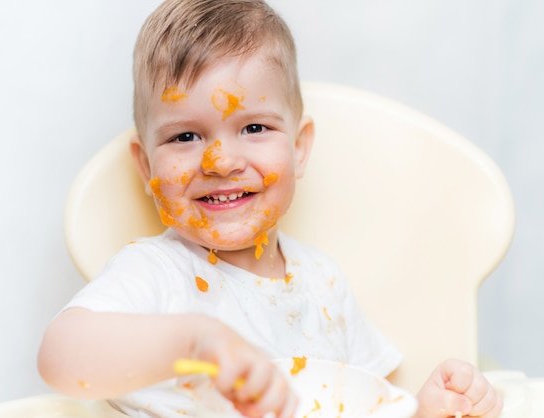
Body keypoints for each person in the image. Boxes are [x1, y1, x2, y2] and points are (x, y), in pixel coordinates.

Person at [37, 1, 503, 417]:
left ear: (299, 149)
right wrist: (193, 343)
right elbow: (59, 359)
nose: (221, 162)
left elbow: (365, 403)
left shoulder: (324, 285)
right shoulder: (156, 274)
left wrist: (422, 410)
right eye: (185, 136)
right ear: (145, 166)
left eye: (254, 127)